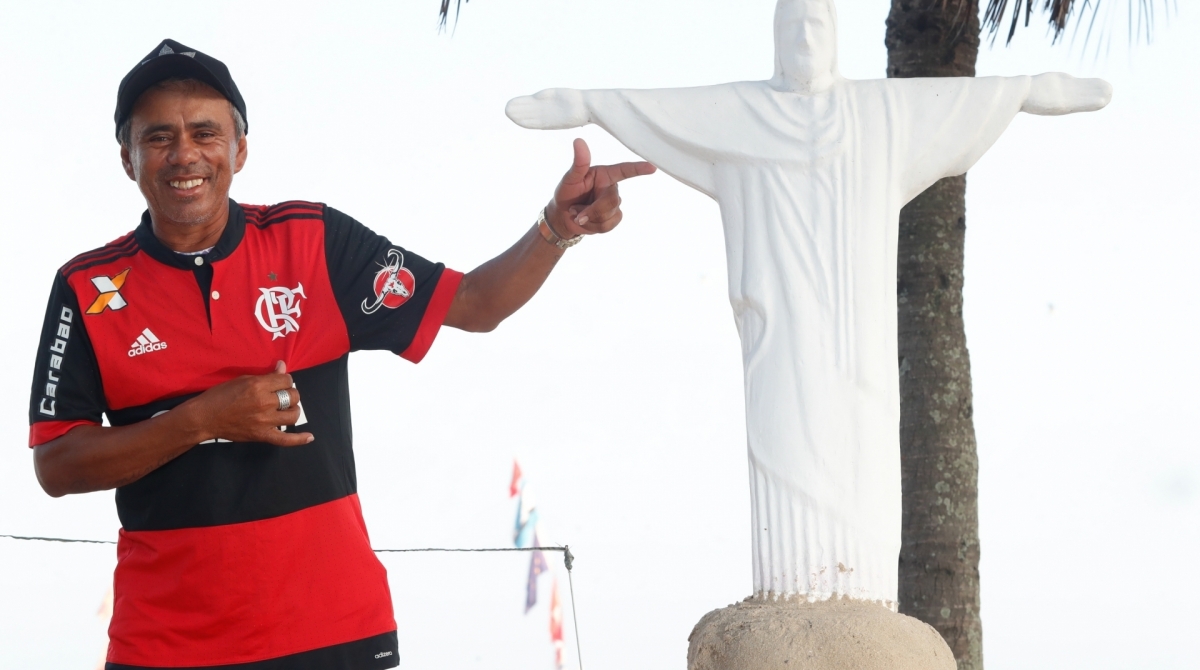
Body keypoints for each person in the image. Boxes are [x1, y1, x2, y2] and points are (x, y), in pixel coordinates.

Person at [28, 39, 654, 670]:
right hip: (165, 649)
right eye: (158, 137)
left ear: (239, 150)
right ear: (128, 158)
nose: (185, 153)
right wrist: (200, 420)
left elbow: (474, 303)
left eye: (205, 132)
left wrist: (557, 227)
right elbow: (56, 465)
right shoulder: (88, 286)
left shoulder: (313, 241)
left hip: (335, 635)